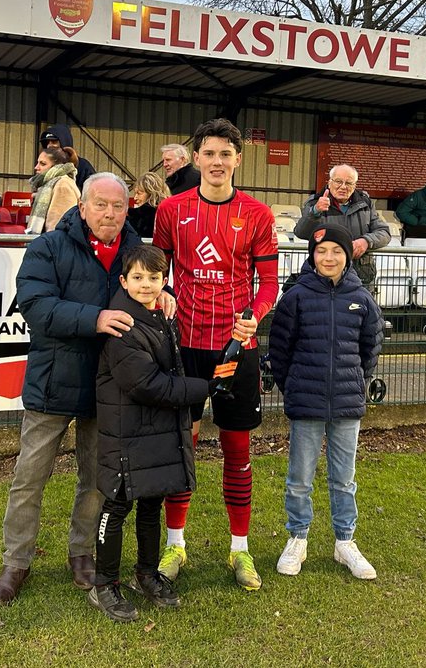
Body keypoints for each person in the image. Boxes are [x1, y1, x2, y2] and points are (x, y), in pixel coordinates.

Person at [0, 173, 143, 606]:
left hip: (107, 386)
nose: (109, 213)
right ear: (82, 206)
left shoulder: (137, 254)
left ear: (127, 209)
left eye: (117, 206)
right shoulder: (47, 248)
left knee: (95, 479)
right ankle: (15, 562)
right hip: (53, 380)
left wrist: (161, 295)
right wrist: (93, 319)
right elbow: (35, 306)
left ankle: (82, 553)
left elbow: (149, 295)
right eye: (101, 204)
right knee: (29, 478)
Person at [153, 118, 279, 592]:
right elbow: (157, 269)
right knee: (180, 446)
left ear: (238, 159)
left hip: (236, 350)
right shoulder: (172, 210)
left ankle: (240, 551)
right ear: (197, 158)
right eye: (209, 153)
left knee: (237, 449)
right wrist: (163, 292)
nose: (217, 162)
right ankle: (175, 544)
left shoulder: (258, 215)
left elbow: (268, 283)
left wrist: (257, 315)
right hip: (183, 349)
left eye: (226, 154)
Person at [90, 244, 218, 623]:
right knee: (116, 505)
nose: (147, 285)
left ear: (165, 281)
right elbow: (148, 385)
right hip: (126, 432)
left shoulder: (158, 314)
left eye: (155, 278)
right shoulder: (124, 325)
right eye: (139, 278)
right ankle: (104, 583)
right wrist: (204, 388)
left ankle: (146, 573)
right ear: (124, 280)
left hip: (153, 431)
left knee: (150, 502)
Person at [268, 223, 383, 581]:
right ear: (312, 255)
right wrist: (293, 387)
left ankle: (344, 541)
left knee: (343, 479)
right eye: (322, 251)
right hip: (307, 402)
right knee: (300, 478)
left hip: (347, 404)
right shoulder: (296, 296)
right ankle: (297, 537)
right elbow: (280, 348)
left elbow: (371, 345)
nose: (329, 257)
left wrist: (357, 381)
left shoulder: (361, 298)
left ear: (347, 256)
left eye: (336, 251)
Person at [293, 164, 391, 287]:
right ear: (329, 183)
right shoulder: (314, 202)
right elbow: (300, 232)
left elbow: (384, 232)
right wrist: (315, 211)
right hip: (326, 274)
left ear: (355, 186)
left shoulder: (365, 203)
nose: (343, 187)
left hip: (361, 274)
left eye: (349, 183)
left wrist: (366, 241)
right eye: (338, 181)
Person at [27, 146, 79, 234]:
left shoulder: (63, 184)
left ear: (56, 167)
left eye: (42, 164)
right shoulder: (51, 184)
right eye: (37, 163)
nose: (36, 167)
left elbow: (58, 224)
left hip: (56, 243)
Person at [40, 124, 96, 190]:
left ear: (64, 143)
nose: (49, 146)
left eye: (54, 142)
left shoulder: (83, 167)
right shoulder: (46, 166)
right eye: (47, 143)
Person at [128, 172, 170, 239]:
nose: (135, 198)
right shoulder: (169, 214)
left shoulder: (138, 218)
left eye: (139, 193)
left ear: (151, 194)